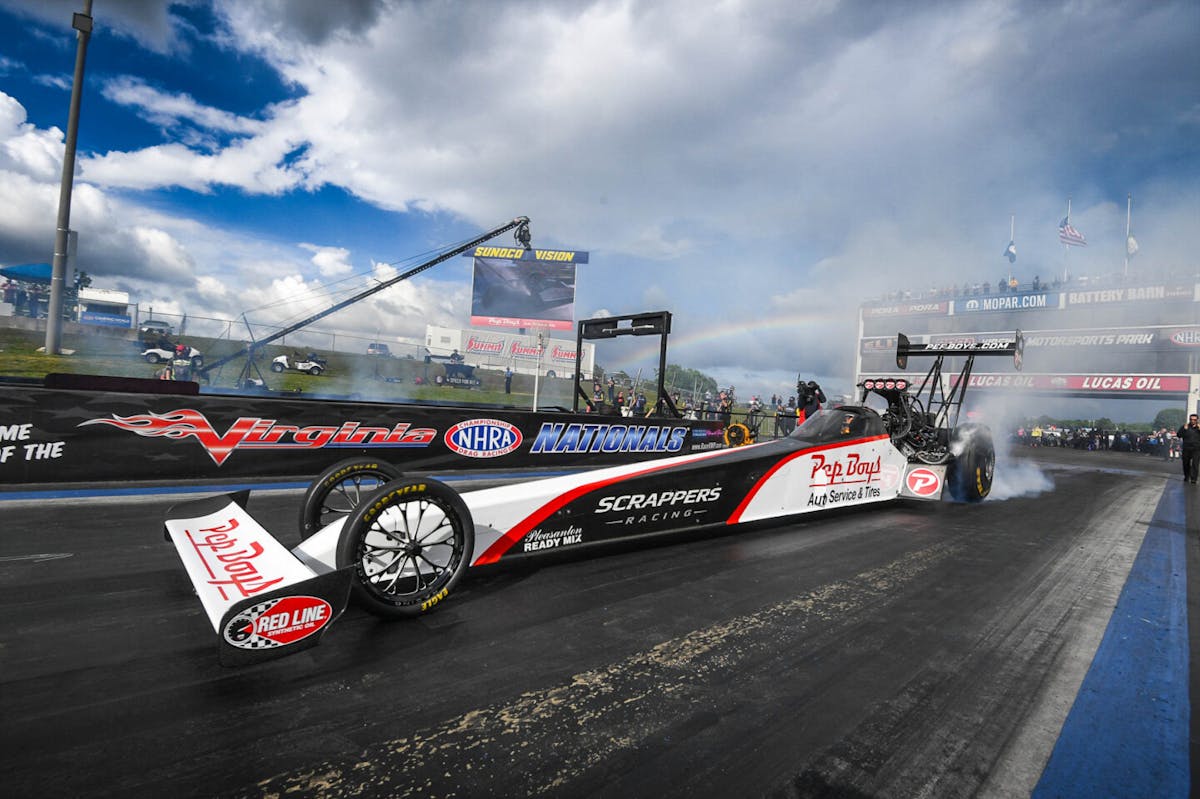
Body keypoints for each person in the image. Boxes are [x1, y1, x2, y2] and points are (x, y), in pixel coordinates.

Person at [1176, 414, 1200, 483]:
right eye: (1191, 419)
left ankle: (1194, 479)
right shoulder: (1185, 426)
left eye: (1194, 420)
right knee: (1186, 463)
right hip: (1186, 448)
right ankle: (1187, 476)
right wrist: (1184, 429)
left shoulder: (1199, 427)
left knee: (1195, 464)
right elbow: (1179, 435)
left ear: (1197, 420)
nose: (1192, 421)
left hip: (1196, 449)